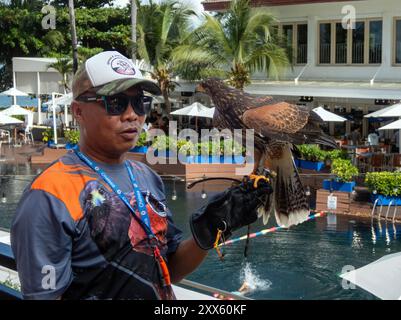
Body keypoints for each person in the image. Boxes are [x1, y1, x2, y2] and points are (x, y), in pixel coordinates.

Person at [11, 51, 270, 300]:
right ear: (78, 111)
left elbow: (168, 268)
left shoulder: (146, 177)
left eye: (140, 102)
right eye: (115, 103)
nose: (132, 114)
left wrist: (211, 228)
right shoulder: (48, 196)